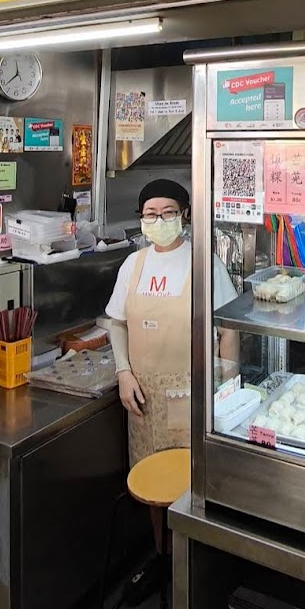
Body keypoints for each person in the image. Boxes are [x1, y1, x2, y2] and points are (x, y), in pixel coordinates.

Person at [106, 178, 239, 552]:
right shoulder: (133, 265)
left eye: (168, 213)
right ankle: (161, 557)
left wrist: (226, 384)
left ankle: (194, 561)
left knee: (192, 483)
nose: (159, 221)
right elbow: (117, 323)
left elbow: (228, 329)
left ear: (185, 215)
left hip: (191, 394)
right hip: (143, 398)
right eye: (150, 214)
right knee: (151, 481)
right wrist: (123, 373)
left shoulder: (203, 263)